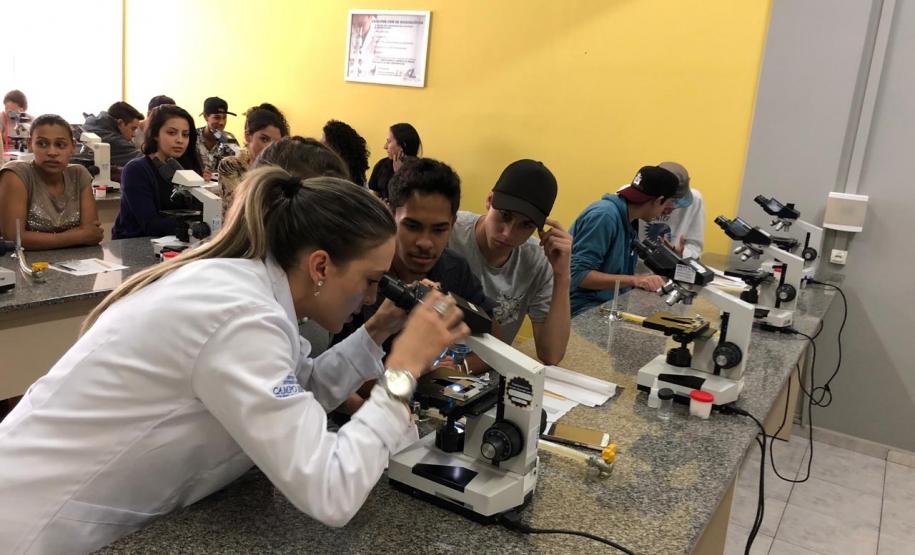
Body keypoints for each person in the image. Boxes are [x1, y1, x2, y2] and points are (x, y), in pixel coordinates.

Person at [0, 166, 469, 553]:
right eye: (372, 280)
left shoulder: (246, 288)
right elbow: (331, 490)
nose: (371, 296)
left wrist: (379, 330)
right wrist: (402, 372)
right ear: (321, 266)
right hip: (33, 525)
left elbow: (298, 389)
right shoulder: (242, 317)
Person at [448, 159, 571, 364]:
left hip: (488, 371)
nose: (508, 233)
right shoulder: (448, 232)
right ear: (489, 200)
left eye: (526, 225)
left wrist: (562, 275)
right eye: (505, 215)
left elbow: (551, 354)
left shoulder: (537, 260)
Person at [569, 165, 681, 316]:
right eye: (669, 203)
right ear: (659, 200)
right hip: (580, 308)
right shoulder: (604, 216)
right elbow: (578, 275)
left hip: (608, 304)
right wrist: (635, 280)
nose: (667, 210)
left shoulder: (629, 220)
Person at [0, 114, 103, 250]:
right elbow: (14, 238)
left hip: (78, 264)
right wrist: (77, 236)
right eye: (42, 144)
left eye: (60, 145)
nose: (52, 152)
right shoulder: (16, 174)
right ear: (30, 144)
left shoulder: (79, 174)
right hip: (24, 266)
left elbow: (92, 234)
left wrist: (82, 235)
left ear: (72, 146)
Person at [112, 105, 204, 239]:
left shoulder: (185, 167)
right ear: (155, 134)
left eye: (185, 135)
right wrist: (195, 226)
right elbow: (151, 225)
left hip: (180, 242)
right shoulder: (136, 170)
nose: (180, 140)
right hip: (137, 246)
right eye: (172, 133)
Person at [217, 103, 290, 213]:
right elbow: (239, 208)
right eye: (264, 139)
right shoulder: (231, 165)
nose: (269, 147)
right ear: (247, 136)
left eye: (276, 143)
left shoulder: (281, 167)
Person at [637, 161, 704, 260]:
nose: (669, 210)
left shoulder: (695, 199)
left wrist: (681, 255)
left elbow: (695, 246)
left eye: (677, 203)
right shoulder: (635, 195)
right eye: (668, 202)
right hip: (633, 268)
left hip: (674, 267)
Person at [81, 101, 145, 167]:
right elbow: (146, 163)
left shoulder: (89, 127)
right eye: (133, 129)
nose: (134, 135)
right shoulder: (113, 141)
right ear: (120, 123)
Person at [366, 123, 420, 199]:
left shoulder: (422, 171)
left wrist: (400, 173)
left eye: (389, 142)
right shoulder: (382, 165)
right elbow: (375, 196)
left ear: (403, 145)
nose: (385, 147)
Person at [196, 96, 239, 174]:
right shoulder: (192, 137)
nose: (221, 122)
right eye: (217, 117)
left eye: (224, 117)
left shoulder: (230, 140)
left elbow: (238, 167)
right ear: (205, 117)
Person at [321, 119, 369, 186]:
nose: (320, 147)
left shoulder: (341, 177)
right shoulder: (357, 174)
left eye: (324, 144)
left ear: (337, 148)